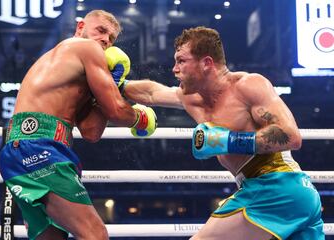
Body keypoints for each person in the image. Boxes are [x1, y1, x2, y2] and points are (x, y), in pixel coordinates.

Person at [121, 26, 324, 239]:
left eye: (181, 61)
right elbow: (152, 92)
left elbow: (291, 136)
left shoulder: (248, 85)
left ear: (207, 63)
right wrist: (114, 84)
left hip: (277, 187)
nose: (174, 69)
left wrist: (229, 141)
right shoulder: (191, 98)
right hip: (286, 195)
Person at [0, 10, 156, 240]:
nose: (104, 40)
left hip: (25, 151)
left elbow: (91, 131)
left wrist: (112, 80)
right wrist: (141, 119)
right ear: (80, 27)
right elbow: (116, 110)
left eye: (111, 38)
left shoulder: (70, 66)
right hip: (39, 149)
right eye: (100, 30)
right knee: (95, 235)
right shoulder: (85, 47)